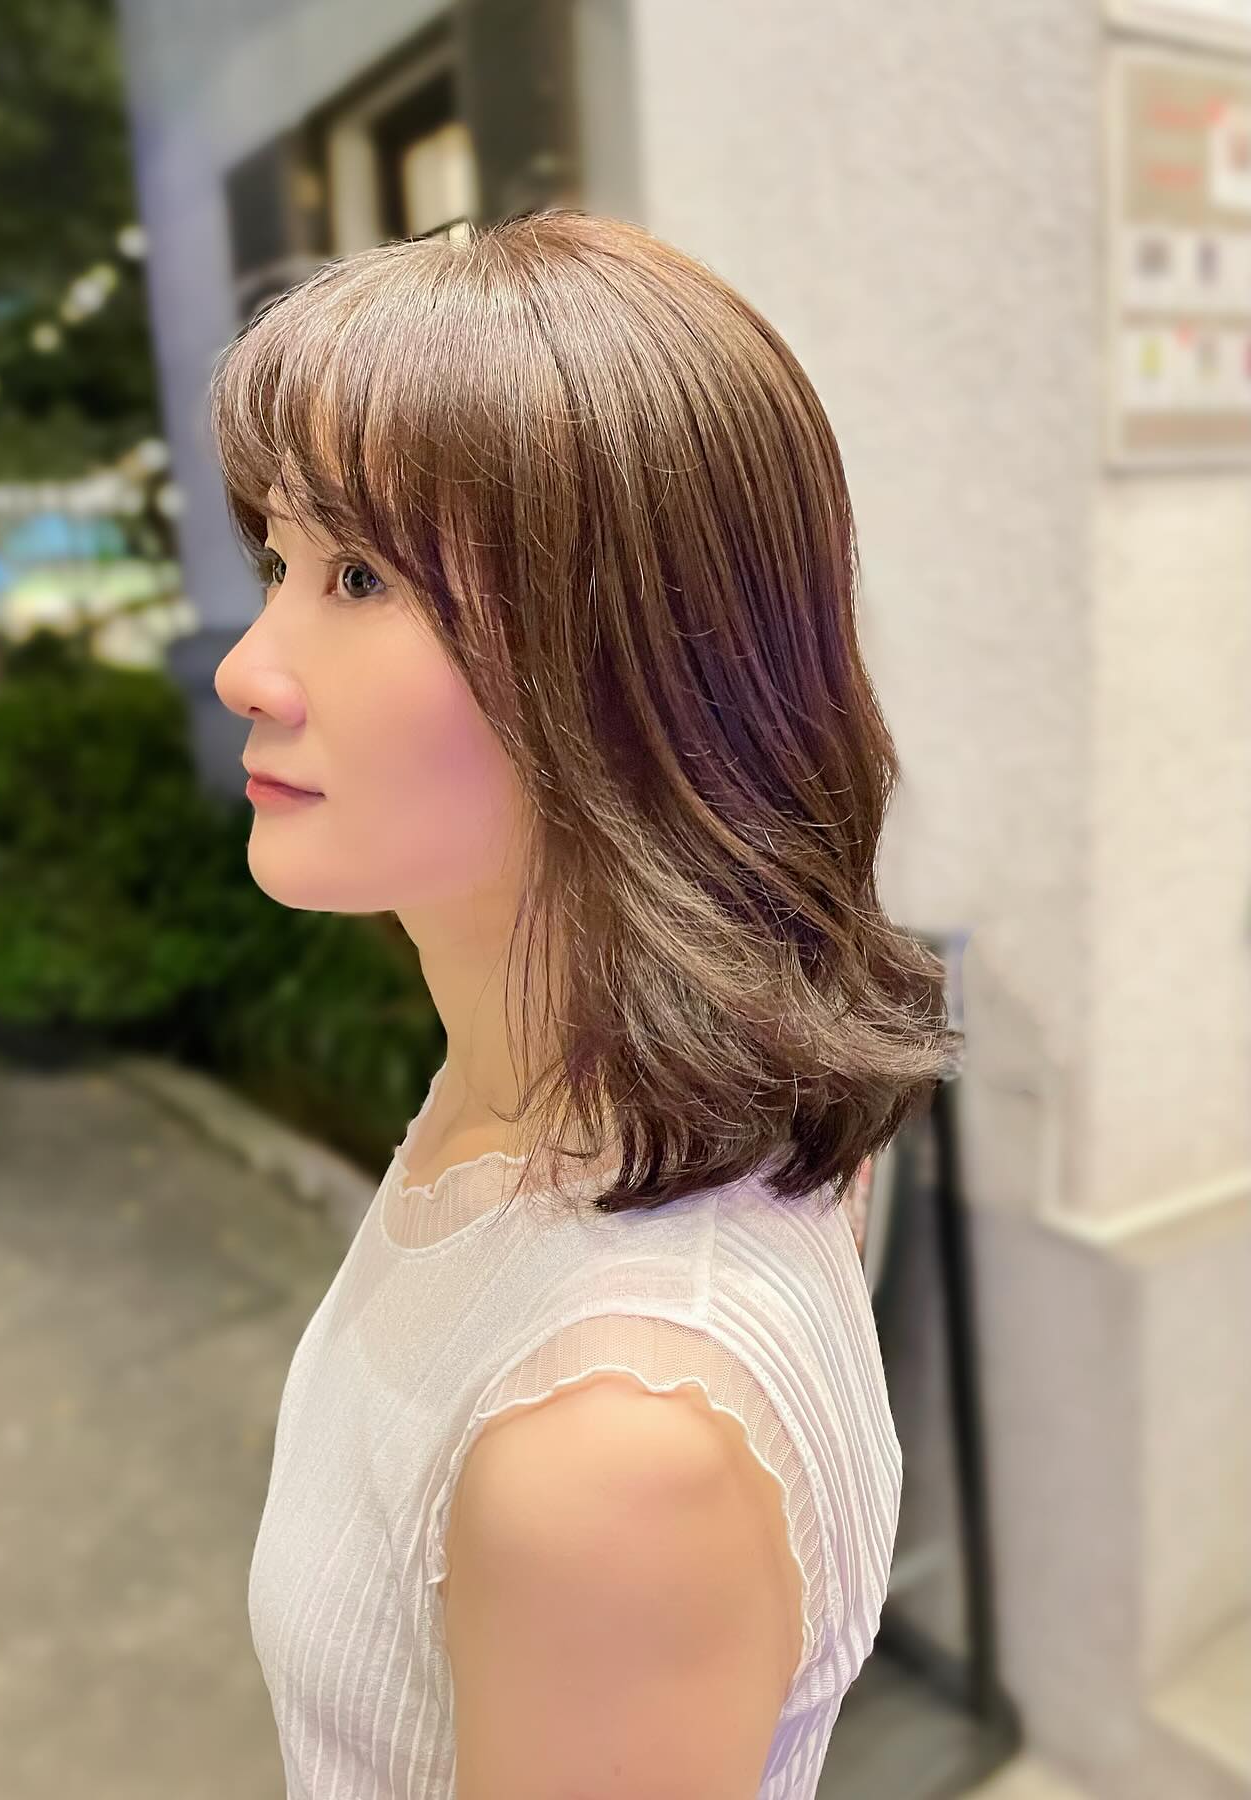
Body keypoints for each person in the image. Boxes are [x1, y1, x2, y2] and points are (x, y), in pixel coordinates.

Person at [209, 208, 959, 1800]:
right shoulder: (557, 1090)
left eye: (359, 574)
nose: (249, 668)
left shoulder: (614, 1446)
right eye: (278, 561)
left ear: (622, 659)